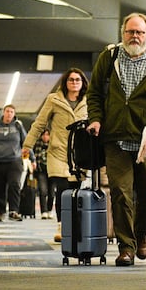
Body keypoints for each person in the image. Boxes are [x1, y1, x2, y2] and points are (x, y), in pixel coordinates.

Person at [86, 13, 146, 266]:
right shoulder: (108, 58)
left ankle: (141, 235)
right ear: (123, 34)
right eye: (130, 32)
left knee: (143, 193)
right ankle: (126, 247)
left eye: (140, 32)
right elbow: (95, 93)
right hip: (115, 137)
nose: (135, 37)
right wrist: (95, 119)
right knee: (121, 192)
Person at [22, 68, 90, 233]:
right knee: (62, 190)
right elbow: (39, 124)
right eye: (71, 80)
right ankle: (62, 226)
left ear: (83, 83)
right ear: (65, 83)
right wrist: (27, 145)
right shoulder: (54, 100)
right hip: (58, 152)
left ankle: (75, 226)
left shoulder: (89, 101)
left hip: (79, 154)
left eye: (77, 80)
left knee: (76, 191)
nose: (74, 83)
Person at [31, 129, 53, 219]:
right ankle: (44, 211)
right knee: (43, 191)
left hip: (52, 170)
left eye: (47, 135)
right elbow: (32, 155)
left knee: (51, 192)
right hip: (41, 171)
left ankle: (50, 210)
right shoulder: (37, 144)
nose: (45, 137)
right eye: (43, 135)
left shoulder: (53, 144)